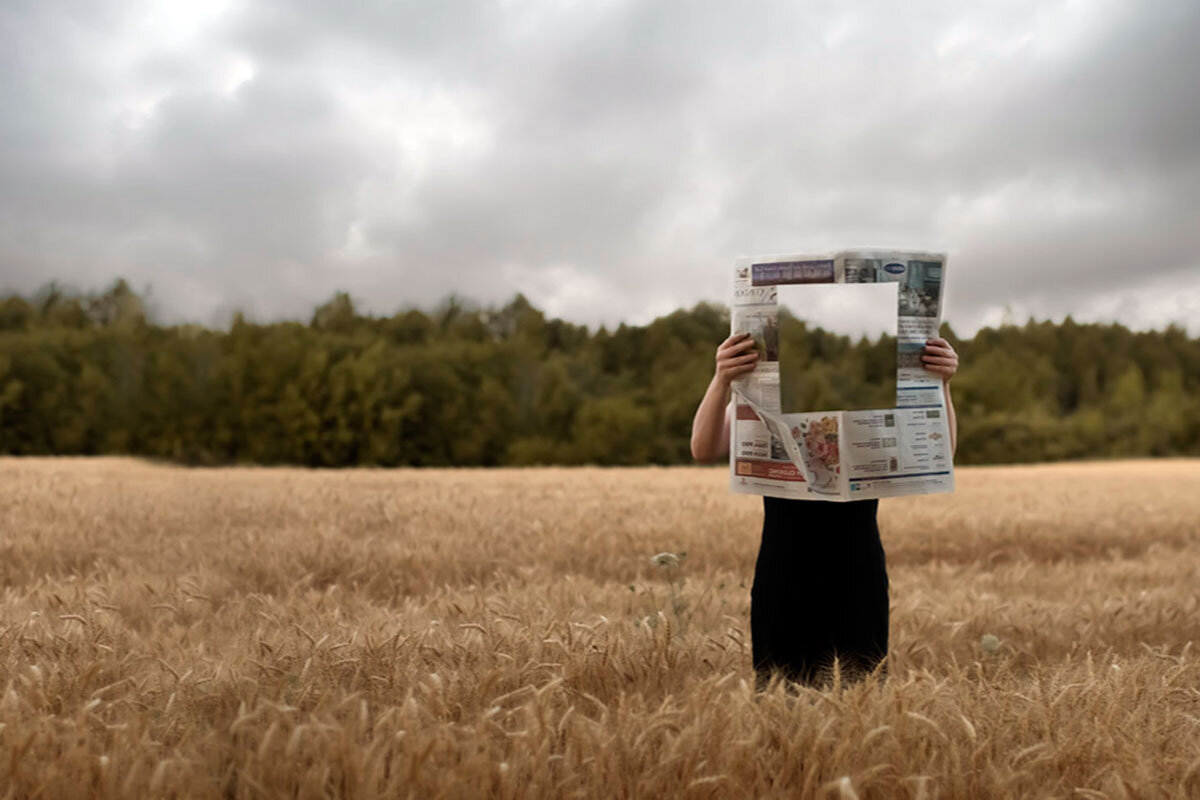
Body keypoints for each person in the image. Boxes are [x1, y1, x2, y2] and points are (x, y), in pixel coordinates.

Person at [690, 331, 959, 690]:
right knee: (780, 698)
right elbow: (703, 448)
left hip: (858, 569)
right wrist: (721, 378)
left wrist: (942, 384)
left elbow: (942, 454)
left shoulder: (874, 401)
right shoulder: (765, 399)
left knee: (863, 695)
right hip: (784, 570)